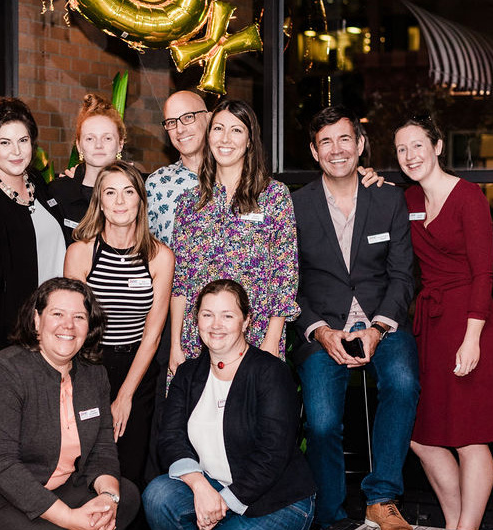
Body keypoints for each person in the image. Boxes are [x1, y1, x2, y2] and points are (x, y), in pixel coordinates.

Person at [290, 106, 419, 530]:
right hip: (322, 327)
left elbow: (403, 274)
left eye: (345, 139)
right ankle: (329, 515)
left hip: (383, 320)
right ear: (313, 151)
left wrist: (380, 327)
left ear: (361, 144)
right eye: (325, 141)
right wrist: (320, 331)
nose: (337, 149)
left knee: (402, 384)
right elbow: (289, 281)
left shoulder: (388, 197)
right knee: (323, 422)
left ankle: (382, 498)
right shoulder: (295, 206)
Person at [0, 277, 140, 530]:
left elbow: (102, 449)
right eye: (57, 314)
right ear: (37, 320)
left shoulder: (94, 375)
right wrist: (70, 518)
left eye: (79, 317)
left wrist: (108, 499)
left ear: (90, 327)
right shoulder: (5, 371)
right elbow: (0, 465)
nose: (68, 326)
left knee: (125, 496)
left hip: (50, 486)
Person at [395, 114, 493, 530]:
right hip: (431, 327)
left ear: (438, 147)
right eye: (401, 149)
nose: (410, 156)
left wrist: (472, 338)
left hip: (470, 325)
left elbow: (485, 274)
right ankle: (456, 524)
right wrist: (370, 179)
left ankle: (466, 528)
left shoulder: (468, 197)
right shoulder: (407, 200)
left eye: (417, 145)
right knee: (422, 438)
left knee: (469, 438)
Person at [144, 279, 316, 530]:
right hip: (213, 485)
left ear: (246, 321)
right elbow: (171, 437)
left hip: (276, 499)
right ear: (197, 320)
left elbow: (272, 454)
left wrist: (220, 504)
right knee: (158, 495)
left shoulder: (270, 371)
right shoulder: (187, 374)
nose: (216, 325)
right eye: (207, 315)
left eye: (227, 315)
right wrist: (200, 486)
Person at [64, 161, 175, 488]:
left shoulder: (159, 257)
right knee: (84, 466)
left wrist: (125, 396)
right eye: (110, 192)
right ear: (99, 201)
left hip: (137, 370)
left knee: (128, 471)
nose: (120, 201)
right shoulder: (81, 253)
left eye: (128, 192)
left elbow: (153, 335)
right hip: (88, 365)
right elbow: (73, 327)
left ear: (141, 199)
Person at [169, 99, 299, 375]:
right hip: (197, 339)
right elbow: (180, 281)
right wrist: (175, 345)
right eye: (218, 129)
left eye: (237, 130)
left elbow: (285, 274)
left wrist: (272, 338)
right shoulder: (189, 203)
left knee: (250, 415)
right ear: (208, 136)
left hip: (257, 334)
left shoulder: (275, 196)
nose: (225, 139)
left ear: (250, 140)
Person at [0, 96, 74, 396]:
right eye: (5, 142)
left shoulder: (37, 183)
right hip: (10, 342)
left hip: (55, 333)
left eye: (23, 140)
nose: (16, 150)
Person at [50, 93, 128, 227]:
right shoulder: (58, 192)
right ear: (79, 146)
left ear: (120, 144)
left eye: (107, 138)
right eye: (90, 138)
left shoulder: (138, 190)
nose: (98, 145)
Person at [145, 90, 209, 245]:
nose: (180, 129)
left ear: (208, 118)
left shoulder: (234, 177)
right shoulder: (156, 183)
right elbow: (144, 249)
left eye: (188, 117)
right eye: (172, 122)